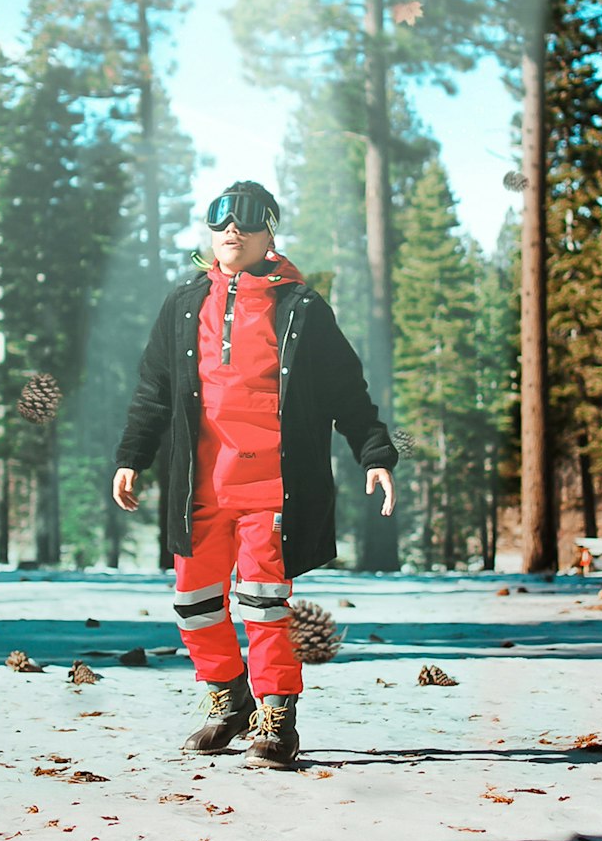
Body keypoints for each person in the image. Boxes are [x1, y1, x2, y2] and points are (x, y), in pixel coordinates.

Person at [112, 181, 396, 769]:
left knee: (264, 602)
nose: (231, 230)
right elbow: (153, 391)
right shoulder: (184, 303)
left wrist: (375, 454)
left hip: (272, 486)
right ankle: (229, 696)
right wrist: (131, 457)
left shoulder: (304, 310)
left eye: (244, 219)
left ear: (270, 232)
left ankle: (277, 714)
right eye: (220, 219)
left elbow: (348, 390)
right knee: (193, 603)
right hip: (199, 486)